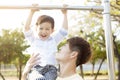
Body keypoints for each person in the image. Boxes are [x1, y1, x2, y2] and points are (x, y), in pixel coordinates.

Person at [22, 6, 68, 80]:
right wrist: (31, 12)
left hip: (51, 69)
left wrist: (65, 14)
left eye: (47, 29)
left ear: (52, 30)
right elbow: (26, 28)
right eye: (41, 28)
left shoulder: (54, 39)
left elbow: (64, 31)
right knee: (39, 78)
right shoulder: (33, 39)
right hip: (36, 69)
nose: (44, 31)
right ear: (36, 28)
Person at [22, 36, 92, 80]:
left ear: (73, 54)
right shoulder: (50, 75)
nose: (60, 47)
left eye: (65, 45)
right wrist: (25, 72)